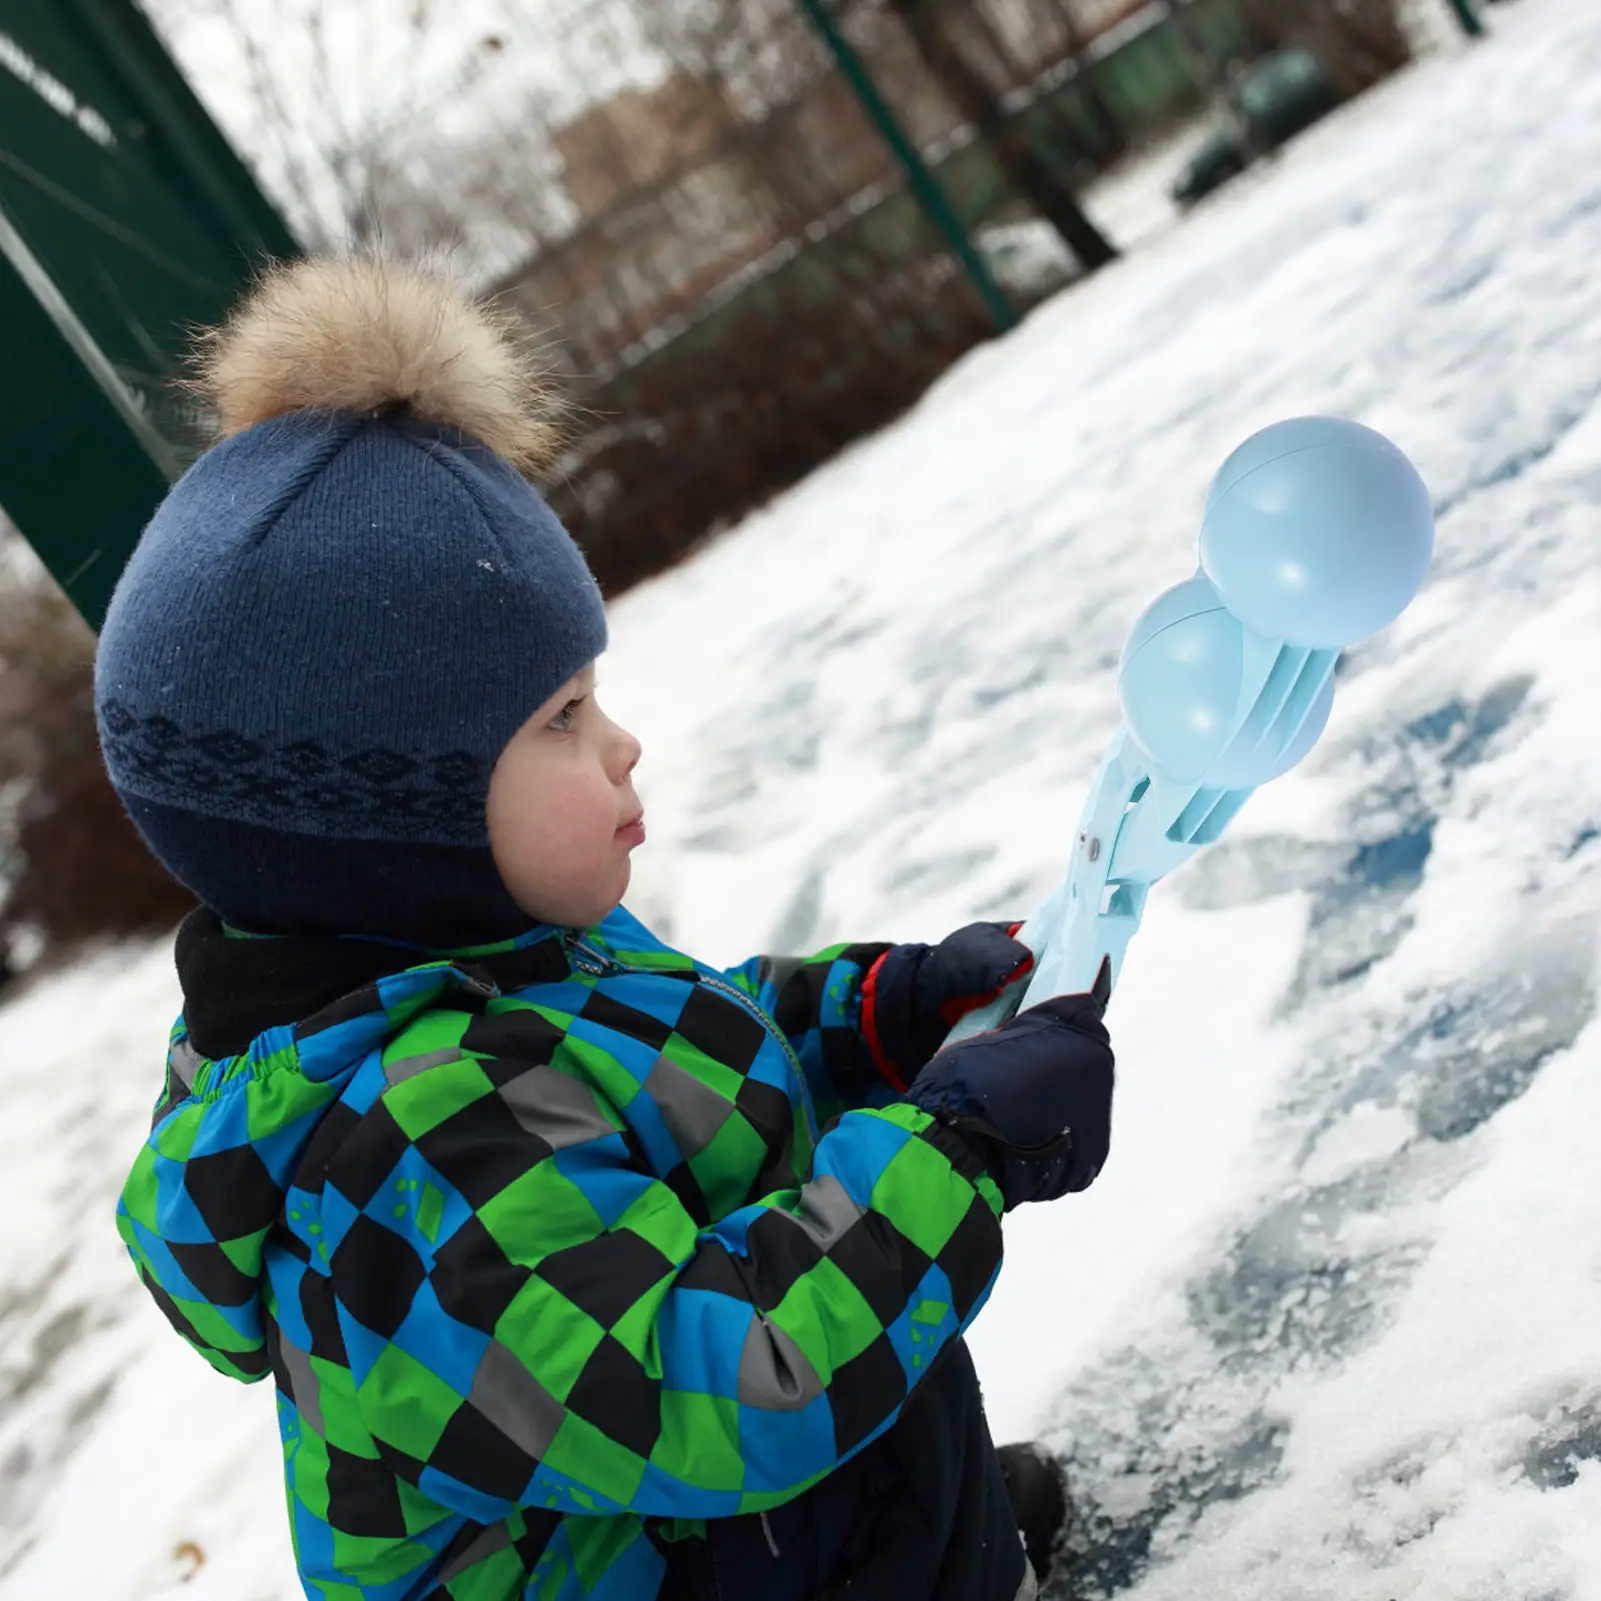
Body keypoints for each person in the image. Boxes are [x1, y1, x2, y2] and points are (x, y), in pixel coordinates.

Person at [100, 258, 1115, 1601]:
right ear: (395, 826)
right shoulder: (406, 1144)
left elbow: (662, 1067)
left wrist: (875, 1016)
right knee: (828, 1355)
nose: (623, 745)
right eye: (561, 720)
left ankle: (927, 1516)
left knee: (877, 1370)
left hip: (687, 1535)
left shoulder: (480, 954)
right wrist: (960, 1151)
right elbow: (721, 1391)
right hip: (646, 1558)